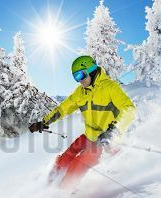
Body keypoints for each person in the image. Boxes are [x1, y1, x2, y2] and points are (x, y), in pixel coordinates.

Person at [29, 55, 136, 188]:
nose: (79, 81)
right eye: (75, 77)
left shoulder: (110, 87)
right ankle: (47, 186)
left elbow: (129, 109)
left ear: (91, 70)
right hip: (89, 136)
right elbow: (63, 108)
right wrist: (44, 122)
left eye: (80, 75)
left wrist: (113, 131)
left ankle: (62, 196)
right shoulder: (80, 92)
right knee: (64, 158)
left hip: (106, 141)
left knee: (77, 164)